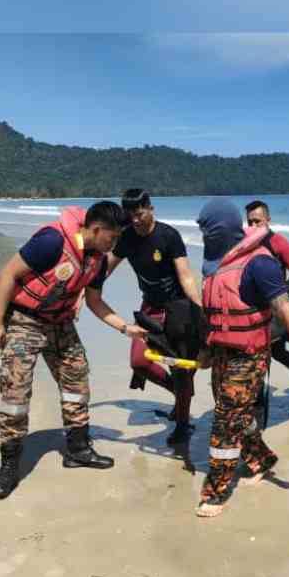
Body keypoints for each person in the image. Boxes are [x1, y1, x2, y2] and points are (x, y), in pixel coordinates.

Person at [0, 201, 147, 500]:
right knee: (15, 392)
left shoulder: (96, 259)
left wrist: (125, 328)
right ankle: (8, 466)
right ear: (96, 229)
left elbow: (95, 302)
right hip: (25, 321)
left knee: (77, 379)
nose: (114, 244)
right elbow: (8, 274)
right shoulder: (52, 241)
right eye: (112, 237)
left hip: (60, 323)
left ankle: (78, 449)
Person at [195, 198, 289, 518]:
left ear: (224, 229)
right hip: (223, 352)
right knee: (236, 416)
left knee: (225, 422)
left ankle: (217, 490)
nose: (203, 238)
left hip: (251, 356)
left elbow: (285, 309)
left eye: (208, 230)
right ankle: (263, 460)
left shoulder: (260, 263)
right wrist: (206, 351)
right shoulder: (214, 265)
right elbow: (213, 314)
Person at [103, 188, 202, 445]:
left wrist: (198, 309)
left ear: (150, 208)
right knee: (139, 361)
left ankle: (182, 423)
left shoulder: (169, 235)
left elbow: (186, 275)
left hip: (178, 310)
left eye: (139, 214)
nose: (135, 220)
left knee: (182, 371)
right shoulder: (127, 238)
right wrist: (84, 291)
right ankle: (180, 394)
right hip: (150, 309)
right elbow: (106, 268)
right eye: (131, 216)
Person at [245, 199, 289, 403]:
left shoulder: (278, 242)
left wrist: (279, 295)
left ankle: (261, 396)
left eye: (257, 221)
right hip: (254, 309)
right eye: (250, 222)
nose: (253, 226)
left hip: (276, 310)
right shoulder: (246, 243)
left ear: (268, 220)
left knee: (267, 352)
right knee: (276, 352)